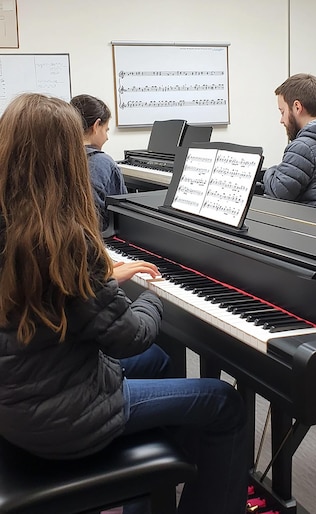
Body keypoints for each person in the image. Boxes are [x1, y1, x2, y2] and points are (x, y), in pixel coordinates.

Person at [0, 93, 249, 514]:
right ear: (64, 158)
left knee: (158, 360)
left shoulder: (16, 222)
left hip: (21, 397)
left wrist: (102, 280)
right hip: (63, 419)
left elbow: (55, 293)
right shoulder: (64, 239)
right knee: (226, 402)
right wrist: (160, 293)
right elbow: (128, 336)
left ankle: (151, 494)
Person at [263, 73, 316, 211]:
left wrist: (271, 171)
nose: (282, 120)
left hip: (307, 230)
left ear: (297, 107)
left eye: (282, 112)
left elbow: (277, 193)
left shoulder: (303, 147)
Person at [71, 93, 127, 231]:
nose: (107, 137)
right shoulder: (102, 162)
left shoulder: (57, 155)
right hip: (96, 240)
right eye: (106, 130)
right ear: (96, 126)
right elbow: (123, 212)